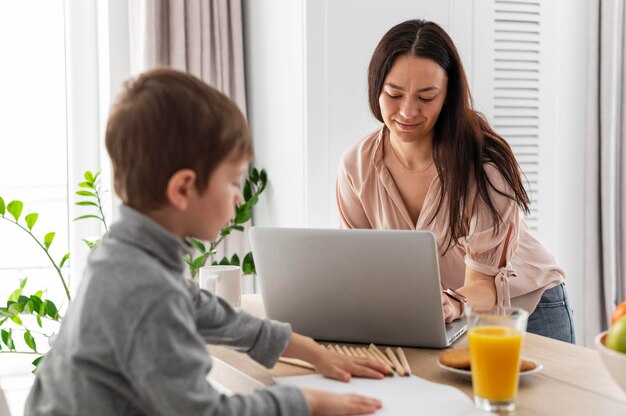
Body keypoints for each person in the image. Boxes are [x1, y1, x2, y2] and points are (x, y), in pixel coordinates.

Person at [25, 68, 389, 415]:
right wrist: (306, 403)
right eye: (232, 182)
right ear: (183, 188)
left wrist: (308, 350)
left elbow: (201, 308)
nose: (237, 196)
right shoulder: (147, 292)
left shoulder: (124, 255)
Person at [336, 19, 576, 344]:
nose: (407, 111)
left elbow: (484, 284)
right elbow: (361, 268)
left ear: (448, 96)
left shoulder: (484, 165)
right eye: (394, 94)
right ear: (375, 88)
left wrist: (450, 304)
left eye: (426, 96)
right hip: (448, 318)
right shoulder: (357, 166)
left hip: (528, 309)